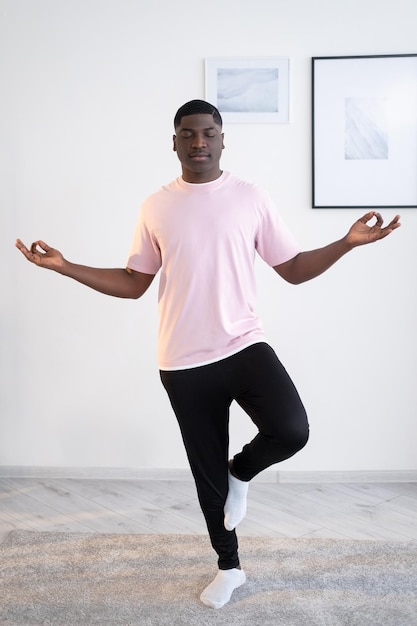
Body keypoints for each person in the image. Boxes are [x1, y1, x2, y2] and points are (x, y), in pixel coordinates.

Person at [16, 99, 401, 610]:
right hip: (182, 361)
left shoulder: (250, 197)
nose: (199, 142)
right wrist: (65, 266)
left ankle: (241, 471)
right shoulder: (155, 206)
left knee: (291, 430)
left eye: (208, 133)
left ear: (223, 140)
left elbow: (293, 268)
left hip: (243, 344)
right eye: (187, 134)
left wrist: (347, 242)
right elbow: (134, 284)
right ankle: (229, 567)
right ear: (173, 141)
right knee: (205, 476)